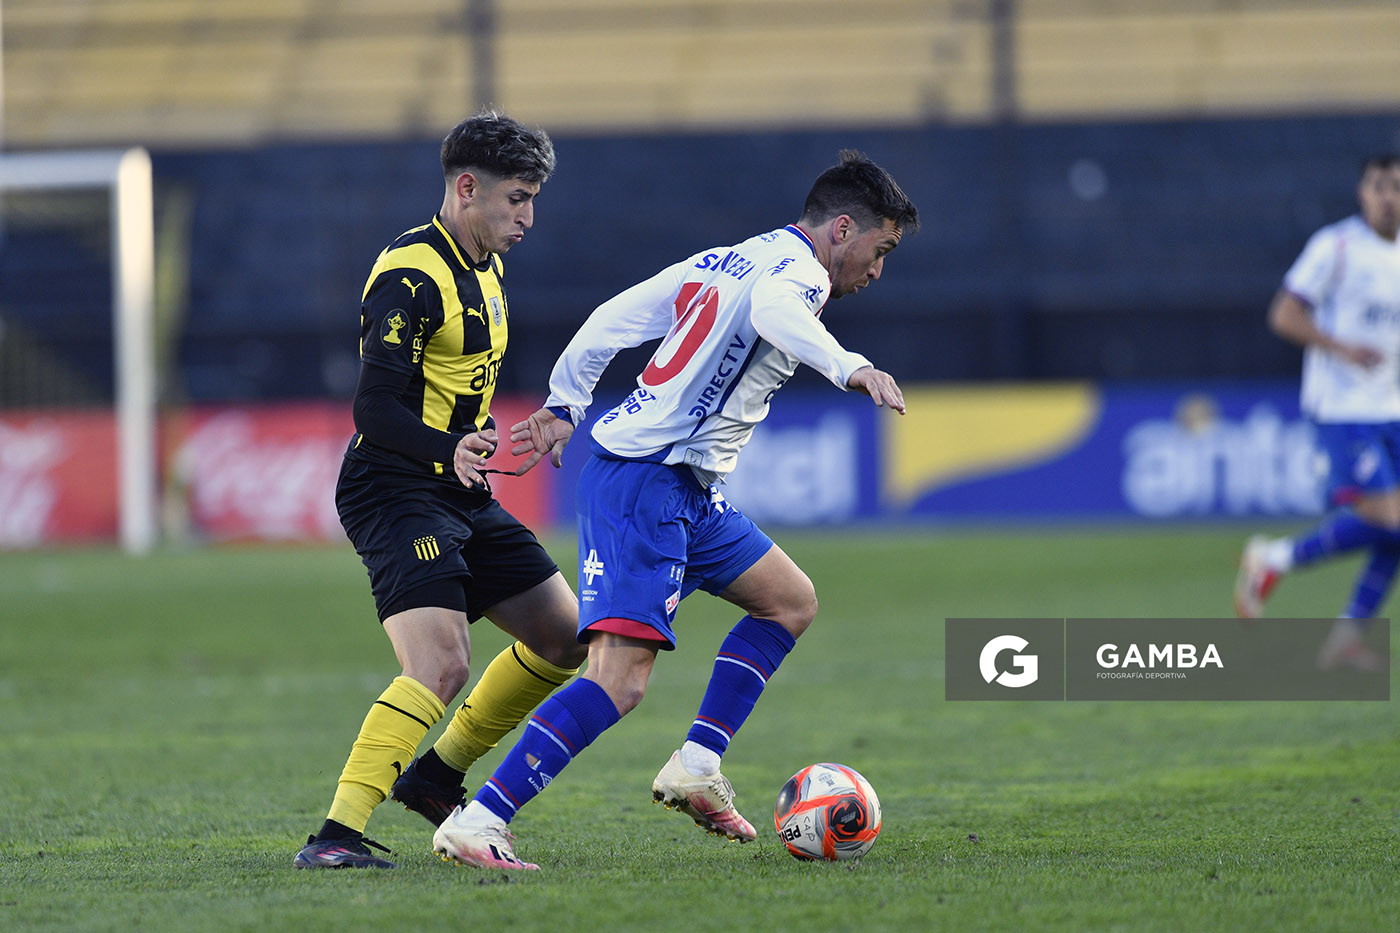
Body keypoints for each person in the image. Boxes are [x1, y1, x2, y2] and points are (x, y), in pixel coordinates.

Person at [429, 149, 918, 870]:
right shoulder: (800, 276)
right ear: (842, 229)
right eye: (881, 250)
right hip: (645, 483)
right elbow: (776, 312)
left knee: (788, 601)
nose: (877, 270)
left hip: (685, 487)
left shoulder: (727, 259)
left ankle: (696, 764)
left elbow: (612, 318)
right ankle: (480, 820)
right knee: (618, 680)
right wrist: (852, 366)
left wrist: (566, 402)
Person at [294, 110, 587, 869]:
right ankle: (334, 837)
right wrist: (447, 446)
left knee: (564, 634)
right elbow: (373, 408)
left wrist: (490, 433)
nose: (527, 218)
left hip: (457, 487)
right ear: (466, 189)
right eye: (517, 199)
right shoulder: (410, 274)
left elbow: (456, 380)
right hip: (393, 488)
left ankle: (434, 778)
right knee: (441, 663)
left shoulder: (485, 264)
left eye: (532, 200)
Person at [1234, 153, 1400, 671]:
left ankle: (1346, 638)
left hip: (1392, 408)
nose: (1388, 197)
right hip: (1342, 407)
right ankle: (1275, 558)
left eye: (1397, 187)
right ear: (1362, 193)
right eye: (1378, 186)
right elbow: (1284, 315)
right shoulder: (1337, 246)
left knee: (1396, 532)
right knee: (1391, 518)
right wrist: (1341, 348)